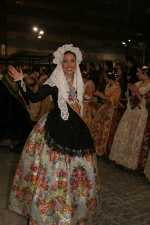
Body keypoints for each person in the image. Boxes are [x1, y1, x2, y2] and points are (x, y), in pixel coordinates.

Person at [8, 44, 101, 225]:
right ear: (60, 62)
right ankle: (51, 211)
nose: (69, 64)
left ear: (77, 63)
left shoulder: (81, 82)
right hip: (56, 130)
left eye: (72, 61)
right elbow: (33, 98)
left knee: (79, 172)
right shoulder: (54, 82)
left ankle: (76, 209)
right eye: (65, 61)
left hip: (78, 133)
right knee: (53, 171)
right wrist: (21, 81)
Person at [109, 65, 150, 172]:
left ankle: (131, 162)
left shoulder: (149, 85)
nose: (136, 74)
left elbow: (146, 103)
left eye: (138, 71)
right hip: (131, 112)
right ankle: (122, 159)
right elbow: (131, 100)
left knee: (134, 136)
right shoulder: (137, 83)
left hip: (141, 114)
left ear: (145, 73)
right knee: (126, 133)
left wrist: (136, 92)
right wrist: (132, 94)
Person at [90, 70, 125, 157]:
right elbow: (106, 98)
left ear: (109, 78)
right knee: (98, 125)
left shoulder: (117, 87)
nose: (104, 78)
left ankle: (106, 149)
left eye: (105, 77)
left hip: (113, 110)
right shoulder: (108, 85)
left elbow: (114, 100)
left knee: (108, 128)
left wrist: (103, 96)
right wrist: (102, 96)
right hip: (105, 107)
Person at [0, 70, 32, 151]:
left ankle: (15, 142)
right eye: (9, 74)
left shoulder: (17, 81)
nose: (11, 75)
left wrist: (27, 102)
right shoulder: (4, 81)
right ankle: (7, 141)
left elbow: (23, 91)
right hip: (6, 104)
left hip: (17, 104)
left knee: (19, 122)